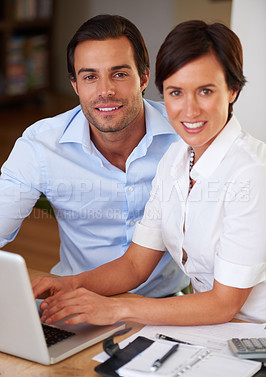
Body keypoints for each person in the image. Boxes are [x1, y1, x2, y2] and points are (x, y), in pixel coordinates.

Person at [33, 20, 266, 326]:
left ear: (233, 90)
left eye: (205, 91)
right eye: (176, 93)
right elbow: (135, 264)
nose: (190, 110)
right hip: (212, 330)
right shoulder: (175, 159)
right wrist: (70, 285)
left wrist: (118, 309)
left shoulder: (252, 173)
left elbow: (223, 304)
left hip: (251, 336)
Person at [0, 15, 189, 297]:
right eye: (90, 77)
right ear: (75, 85)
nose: (105, 91)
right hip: (73, 299)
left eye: (119, 74)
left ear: (144, 78)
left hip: (164, 307)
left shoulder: (185, 136)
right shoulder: (41, 145)